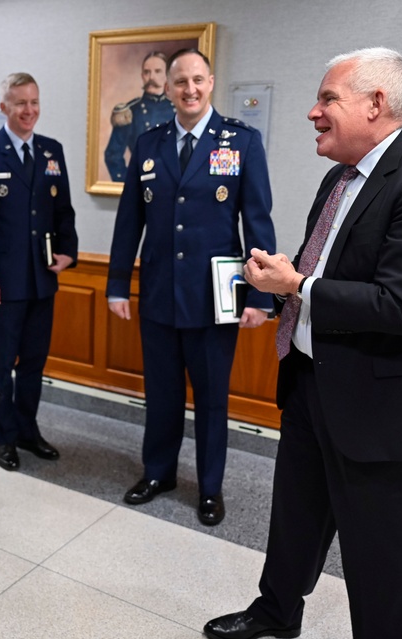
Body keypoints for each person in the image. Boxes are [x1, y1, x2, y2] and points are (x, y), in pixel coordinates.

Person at [203, 48, 402, 639]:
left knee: (379, 544)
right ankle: (278, 609)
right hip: (309, 380)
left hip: (381, 399)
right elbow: (322, 270)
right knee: (295, 514)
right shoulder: (339, 177)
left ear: (376, 104)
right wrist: (281, 282)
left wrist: (295, 287)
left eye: (328, 99)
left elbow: (401, 304)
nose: (313, 112)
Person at [106, 48, 275, 527]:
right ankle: (157, 473)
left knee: (211, 399)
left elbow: (257, 223)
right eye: (181, 82)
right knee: (160, 394)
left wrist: (261, 295)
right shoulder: (149, 142)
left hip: (215, 298)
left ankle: (209, 487)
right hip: (159, 293)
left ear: (211, 81)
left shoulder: (241, 141)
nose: (190, 89)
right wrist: (118, 285)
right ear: (169, 88)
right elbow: (128, 222)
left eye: (198, 80)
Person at [0, 73, 78, 472]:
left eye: (34, 102)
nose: (29, 111)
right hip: (2, 285)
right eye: (20, 103)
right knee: (0, 368)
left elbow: (63, 211)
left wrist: (68, 252)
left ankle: (28, 430)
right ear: (3, 106)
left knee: (33, 364)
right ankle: (4, 437)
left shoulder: (51, 151)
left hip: (41, 280)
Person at [104, 51, 176, 182]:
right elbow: (113, 155)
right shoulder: (131, 111)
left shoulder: (178, 111)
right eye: (147, 72)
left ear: (167, 76)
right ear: (142, 76)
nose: (151, 77)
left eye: (157, 71)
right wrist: (129, 183)